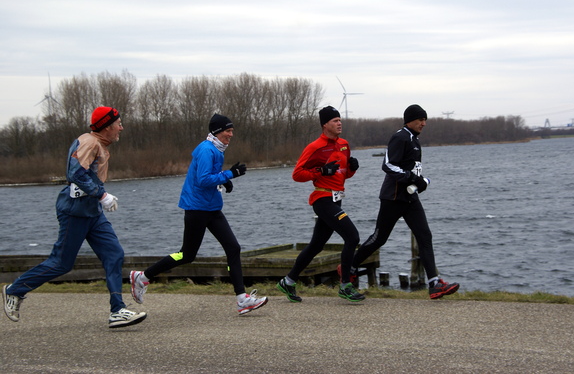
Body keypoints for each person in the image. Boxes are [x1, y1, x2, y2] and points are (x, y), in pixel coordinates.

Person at [2, 107, 147, 328]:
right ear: (107, 126)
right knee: (61, 264)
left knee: (114, 254)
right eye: (118, 123)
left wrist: (99, 197)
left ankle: (117, 310)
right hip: (75, 212)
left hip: (92, 212)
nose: (121, 127)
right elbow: (75, 173)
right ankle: (15, 290)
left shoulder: (96, 143)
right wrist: (102, 195)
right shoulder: (89, 142)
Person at [129, 113, 267, 315]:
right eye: (228, 131)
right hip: (197, 209)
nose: (231, 134)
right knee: (186, 254)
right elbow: (203, 180)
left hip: (211, 208)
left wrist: (224, 180)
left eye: (231, 131)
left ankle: (242, 298)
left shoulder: (216, 149)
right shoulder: (206, 150)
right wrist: (230, 174)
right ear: (217, 132)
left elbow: (209, 176)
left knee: (233, 248)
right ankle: (143, 277)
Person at [342, 104, 460, 299]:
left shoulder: (415, 140)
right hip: (393, 197)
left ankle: (434, 284)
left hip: (410, 198)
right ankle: (350, 268)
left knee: (425, 236)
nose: (424, 123)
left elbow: (413, 170)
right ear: (409, 120)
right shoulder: (400, 137)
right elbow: (388, 166)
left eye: (425, 120)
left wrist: (420, 182)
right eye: (420, 120)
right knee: (379, 238)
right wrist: (414, 179)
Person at [277, 106, 365, 303]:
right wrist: (321, 171)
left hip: (336, 199)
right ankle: (345, 286)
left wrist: (352, 170)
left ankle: (288, 281)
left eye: (340, 119)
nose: (339, 123)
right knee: (352, 237)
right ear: (325, 124)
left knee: (316, 245)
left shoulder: (344, 144)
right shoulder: (315, 147)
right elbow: (297, 175)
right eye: (334, 120)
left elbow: (342, 175)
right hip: (322, 200)